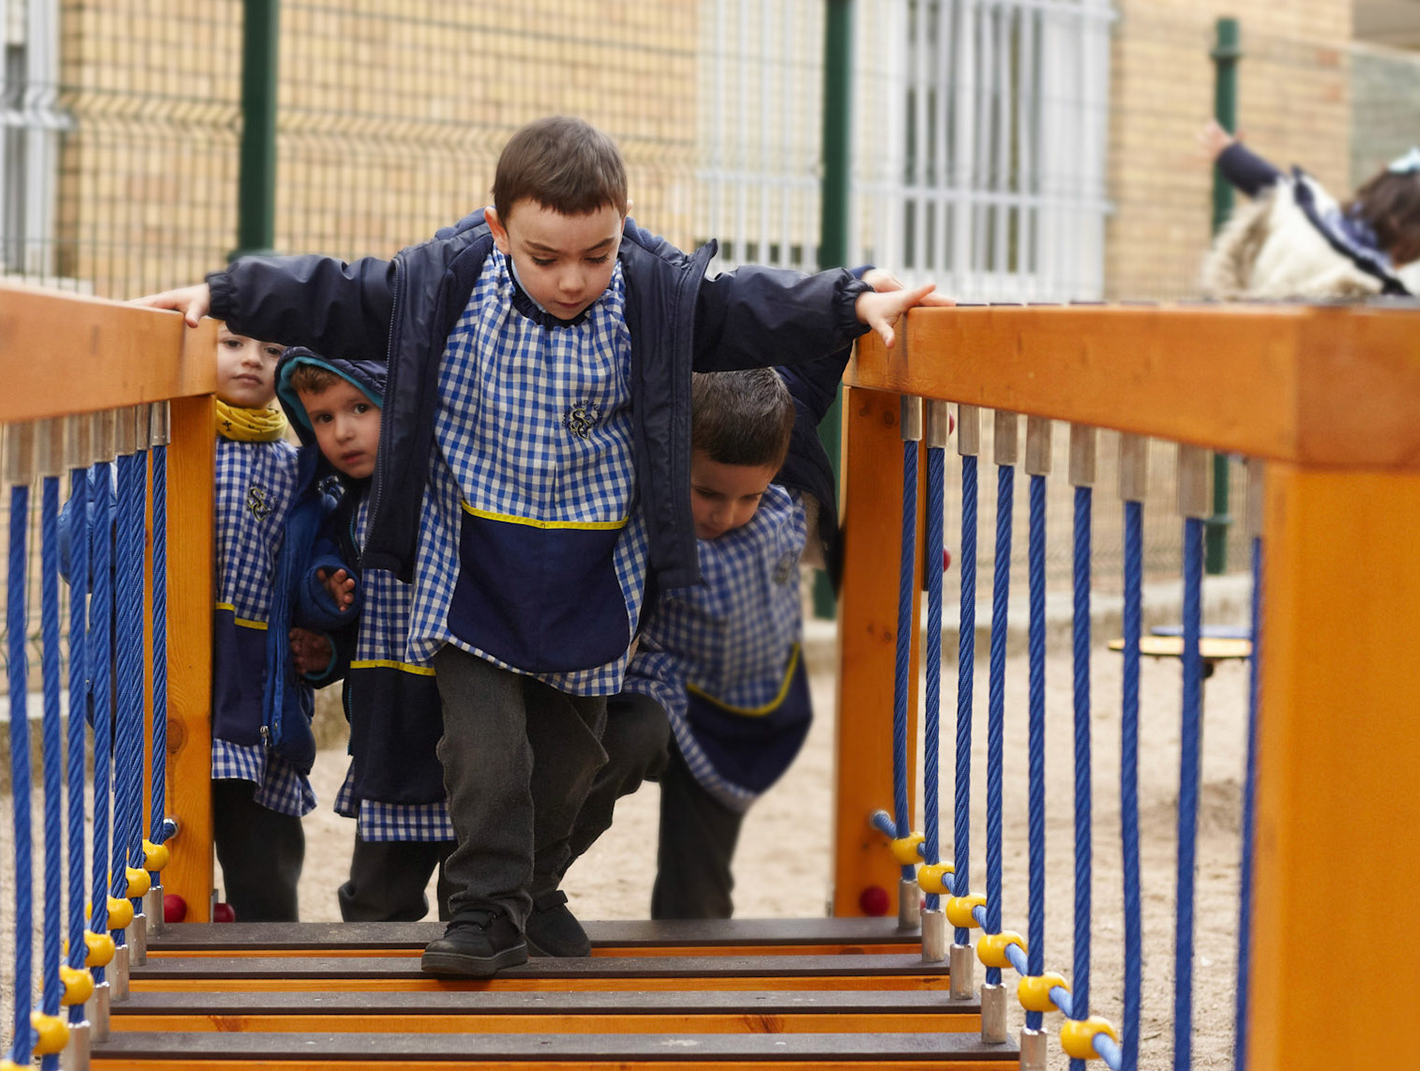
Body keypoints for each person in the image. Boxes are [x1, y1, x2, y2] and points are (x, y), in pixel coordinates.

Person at [133, 116, 939, 977]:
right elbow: (339, 292)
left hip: (593, 580)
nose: (572, 279)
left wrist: (850, 301)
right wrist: (227, 294)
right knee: (485, 754)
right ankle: (483, 914)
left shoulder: (652, 297)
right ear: (498, 229)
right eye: (545, 256)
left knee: (566, 764)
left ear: (623, 224)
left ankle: (532, 889)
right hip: (471, 572)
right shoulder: (445, 284)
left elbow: (746, 306)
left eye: (597, 253)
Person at [561, 362, 840, 919]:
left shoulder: (786, 501)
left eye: (748, 496)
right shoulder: (644, 500)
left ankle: (692, 947)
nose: (726, 514)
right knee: (611, 749)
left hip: (736, 710)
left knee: (700, 876)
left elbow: (820, 370)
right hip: (656, 682)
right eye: (708, 492)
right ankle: (524, 880)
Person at [272, 350, 462, 923]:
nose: (342, 432)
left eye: (359, 408)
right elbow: (361, 624)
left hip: (466, 718)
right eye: (323, 418)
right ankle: (376, 983)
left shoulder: (446, 484)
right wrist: (329, 646)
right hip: (390, 731)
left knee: (476, 897)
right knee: (376, 900)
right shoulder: (344, 510)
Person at [204, 322, 315, 922]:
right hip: (170, 674)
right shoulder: (156, 447)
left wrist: (323, 608)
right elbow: (79, 557)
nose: (252, 359)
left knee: (263, 849)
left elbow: (314, 568)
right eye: (233, 344)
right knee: (163, 842)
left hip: (257, 688)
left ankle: (269, 949)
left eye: (272, 349)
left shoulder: (297, 468)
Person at [1199, 121, 1420, 300]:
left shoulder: (1306, 207)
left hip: (1243, 318)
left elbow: (1271, 182)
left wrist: (1230, 154)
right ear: (1409, 234)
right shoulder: (1370, 285)